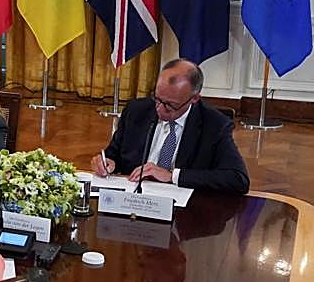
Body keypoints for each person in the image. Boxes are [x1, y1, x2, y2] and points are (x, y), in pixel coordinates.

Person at [90, 58, 249, 193]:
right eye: (157, 99)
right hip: (132, 200)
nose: (159, 109)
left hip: (182, 213)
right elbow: (113, 154)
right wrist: (107, 163)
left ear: (194, 98)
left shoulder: (215, 125)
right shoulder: (136, 111)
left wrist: (172, 176)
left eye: (170, 105)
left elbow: (238, 179)